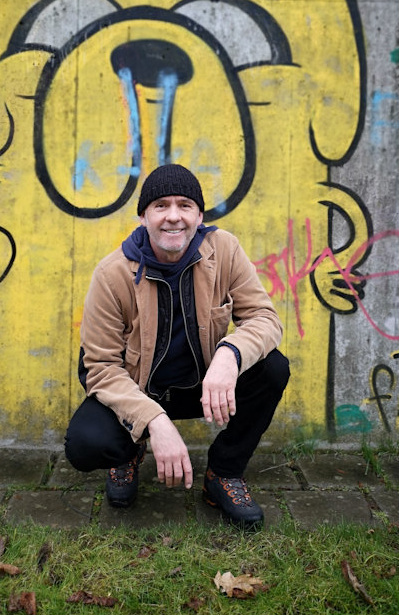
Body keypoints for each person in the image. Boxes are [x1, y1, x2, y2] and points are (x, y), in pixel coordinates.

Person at [65, 164, 290, 528]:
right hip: (140, 390)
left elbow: (264, 318)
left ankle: (223, 473)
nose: (173, 216)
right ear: (143, 217)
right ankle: (129, 452)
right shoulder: (112, 274)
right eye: (161, 206)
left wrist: (229, 356)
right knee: (85, 444)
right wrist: (153, 420)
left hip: (204, 388)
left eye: (185, 205)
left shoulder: (225, 250)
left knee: (273, 368)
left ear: (199, 216)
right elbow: (101, 367)